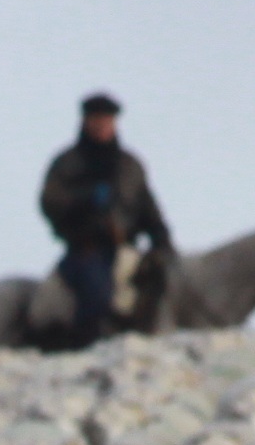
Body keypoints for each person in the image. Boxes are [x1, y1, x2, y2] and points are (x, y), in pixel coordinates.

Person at [38, 93, 172, 350]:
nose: (101, 125)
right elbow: (50, 202)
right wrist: (83, 201)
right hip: (86, 249)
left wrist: (161, 238)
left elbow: (147, 205)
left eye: (106, 120)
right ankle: (82, 349)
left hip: (126, 248)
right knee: (96, 292)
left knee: (161, 283)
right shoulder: (67, 163)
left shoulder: (129, 165)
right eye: (95, 119)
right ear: (85, 122)